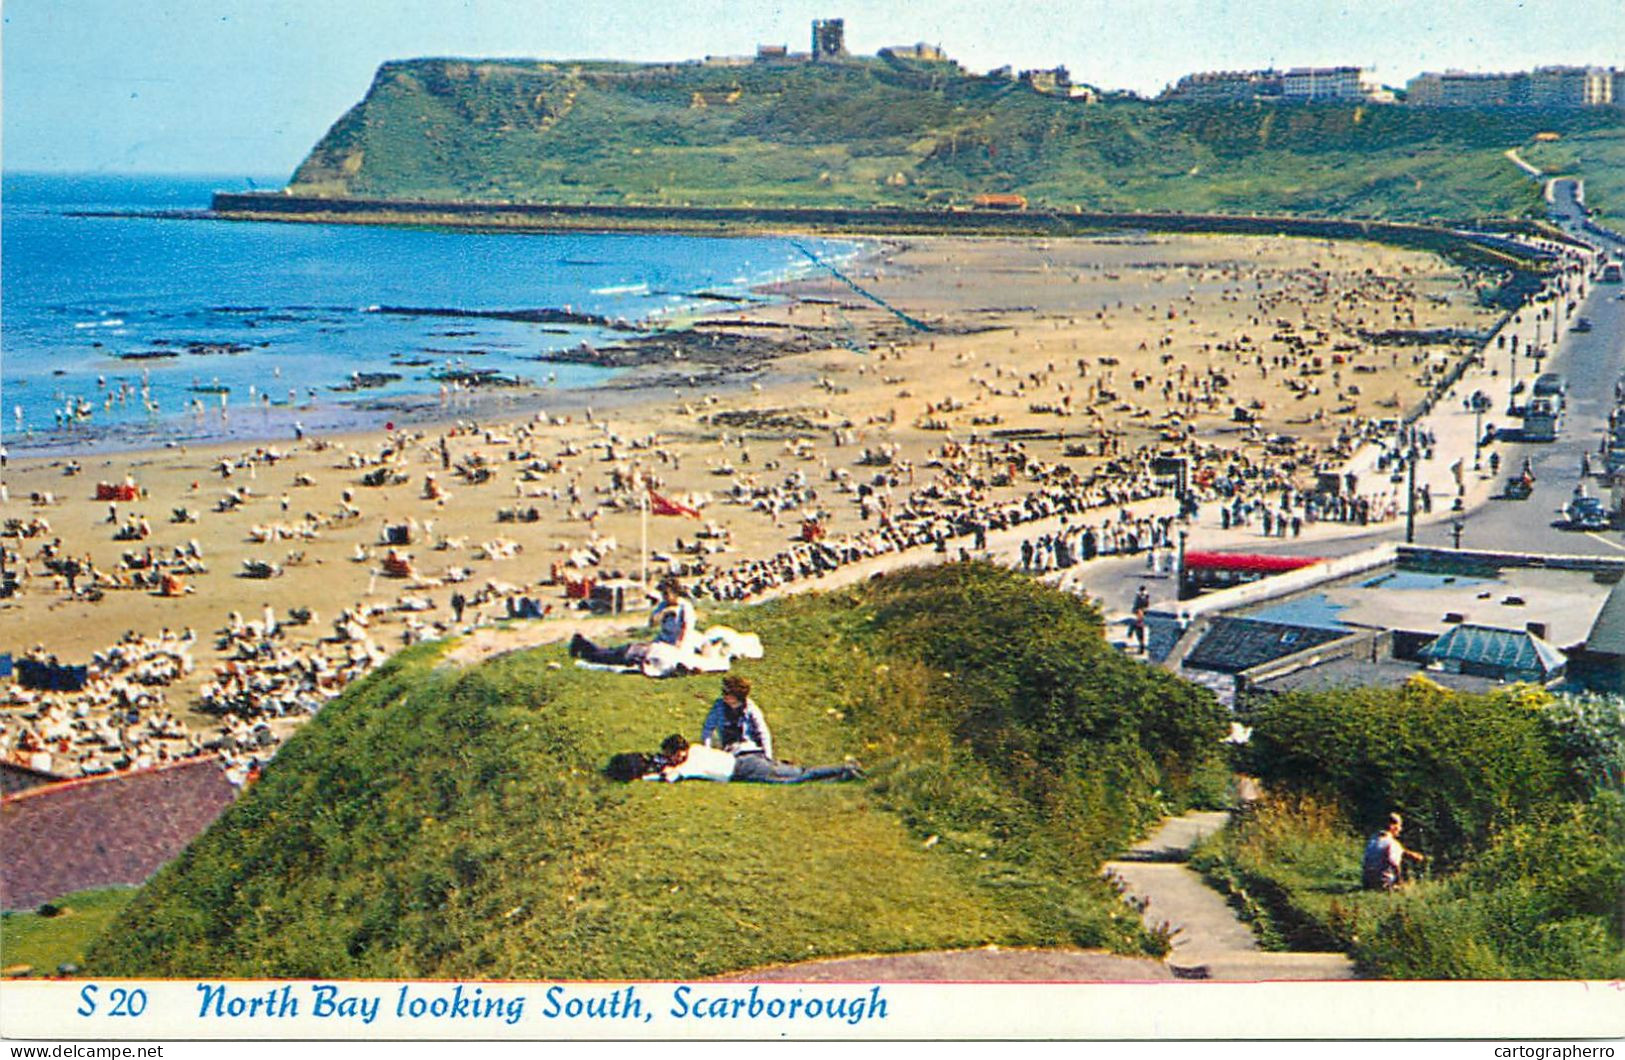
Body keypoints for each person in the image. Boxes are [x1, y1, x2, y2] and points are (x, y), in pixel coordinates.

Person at [569, 576, 698, 668]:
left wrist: (677, 648)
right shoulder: (664, 605)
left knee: (623, 655)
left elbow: (685, 630)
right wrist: (664, 612)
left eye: (667, 594)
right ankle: (585, 646)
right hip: (659, 644)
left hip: (670, 649)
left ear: (675, 593)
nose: (664, 597)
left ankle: (585, 647)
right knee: (621, 651)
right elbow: (652, 623)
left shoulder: (685, 608)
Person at [637, 734, 861, 785]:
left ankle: (844, 770)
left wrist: (646, 777)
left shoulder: (690, 762)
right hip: (746, 761)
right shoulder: (696, 749)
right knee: (797, 773)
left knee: (793, 779)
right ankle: (842, 773)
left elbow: (671, 776)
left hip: (744, 769)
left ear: (679, 752)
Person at [701, 675, 773, 758]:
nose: (724, 696)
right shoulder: (719, 706)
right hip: (730, 750)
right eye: (723, 692)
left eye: (728, 694)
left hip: (749, 749)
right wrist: (707, 749)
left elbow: (763, 732)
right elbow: (708, 728)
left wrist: (768, 756)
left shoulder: (751, 708)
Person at [1362, 812, 1425, 891]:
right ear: (1392, 826)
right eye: (1399, 826)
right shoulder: (1392, 843)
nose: (1400, 829)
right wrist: (1400, 883)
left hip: (1367, 884)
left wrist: (1412, 855)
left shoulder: (1373, 839)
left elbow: (1397, 851)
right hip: (1383, 884)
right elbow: (1395, 865)